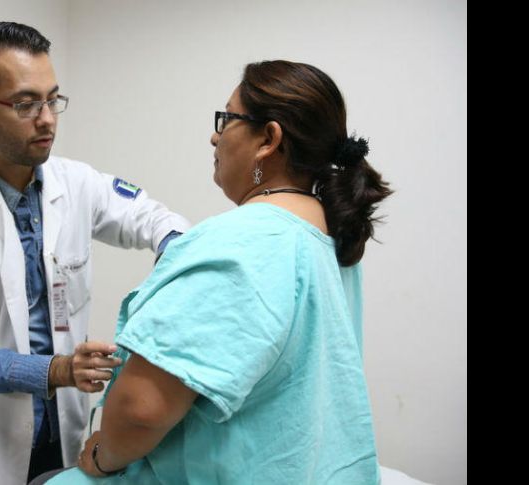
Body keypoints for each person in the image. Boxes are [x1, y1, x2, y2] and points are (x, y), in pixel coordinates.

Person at [38, 60, 393, 485]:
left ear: (268, 139)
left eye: (227, 120)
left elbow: (140, 410)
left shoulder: (238, 242)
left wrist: (100, 456)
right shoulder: (329, 238)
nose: (215, 136)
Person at [0, 22, 190, 485]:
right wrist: (59, 371)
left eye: (53, 100)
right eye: (25, 104)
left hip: (66, 428)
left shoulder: (76, 183)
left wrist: (180, 265)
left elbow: (154, 220)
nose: (47, 119)